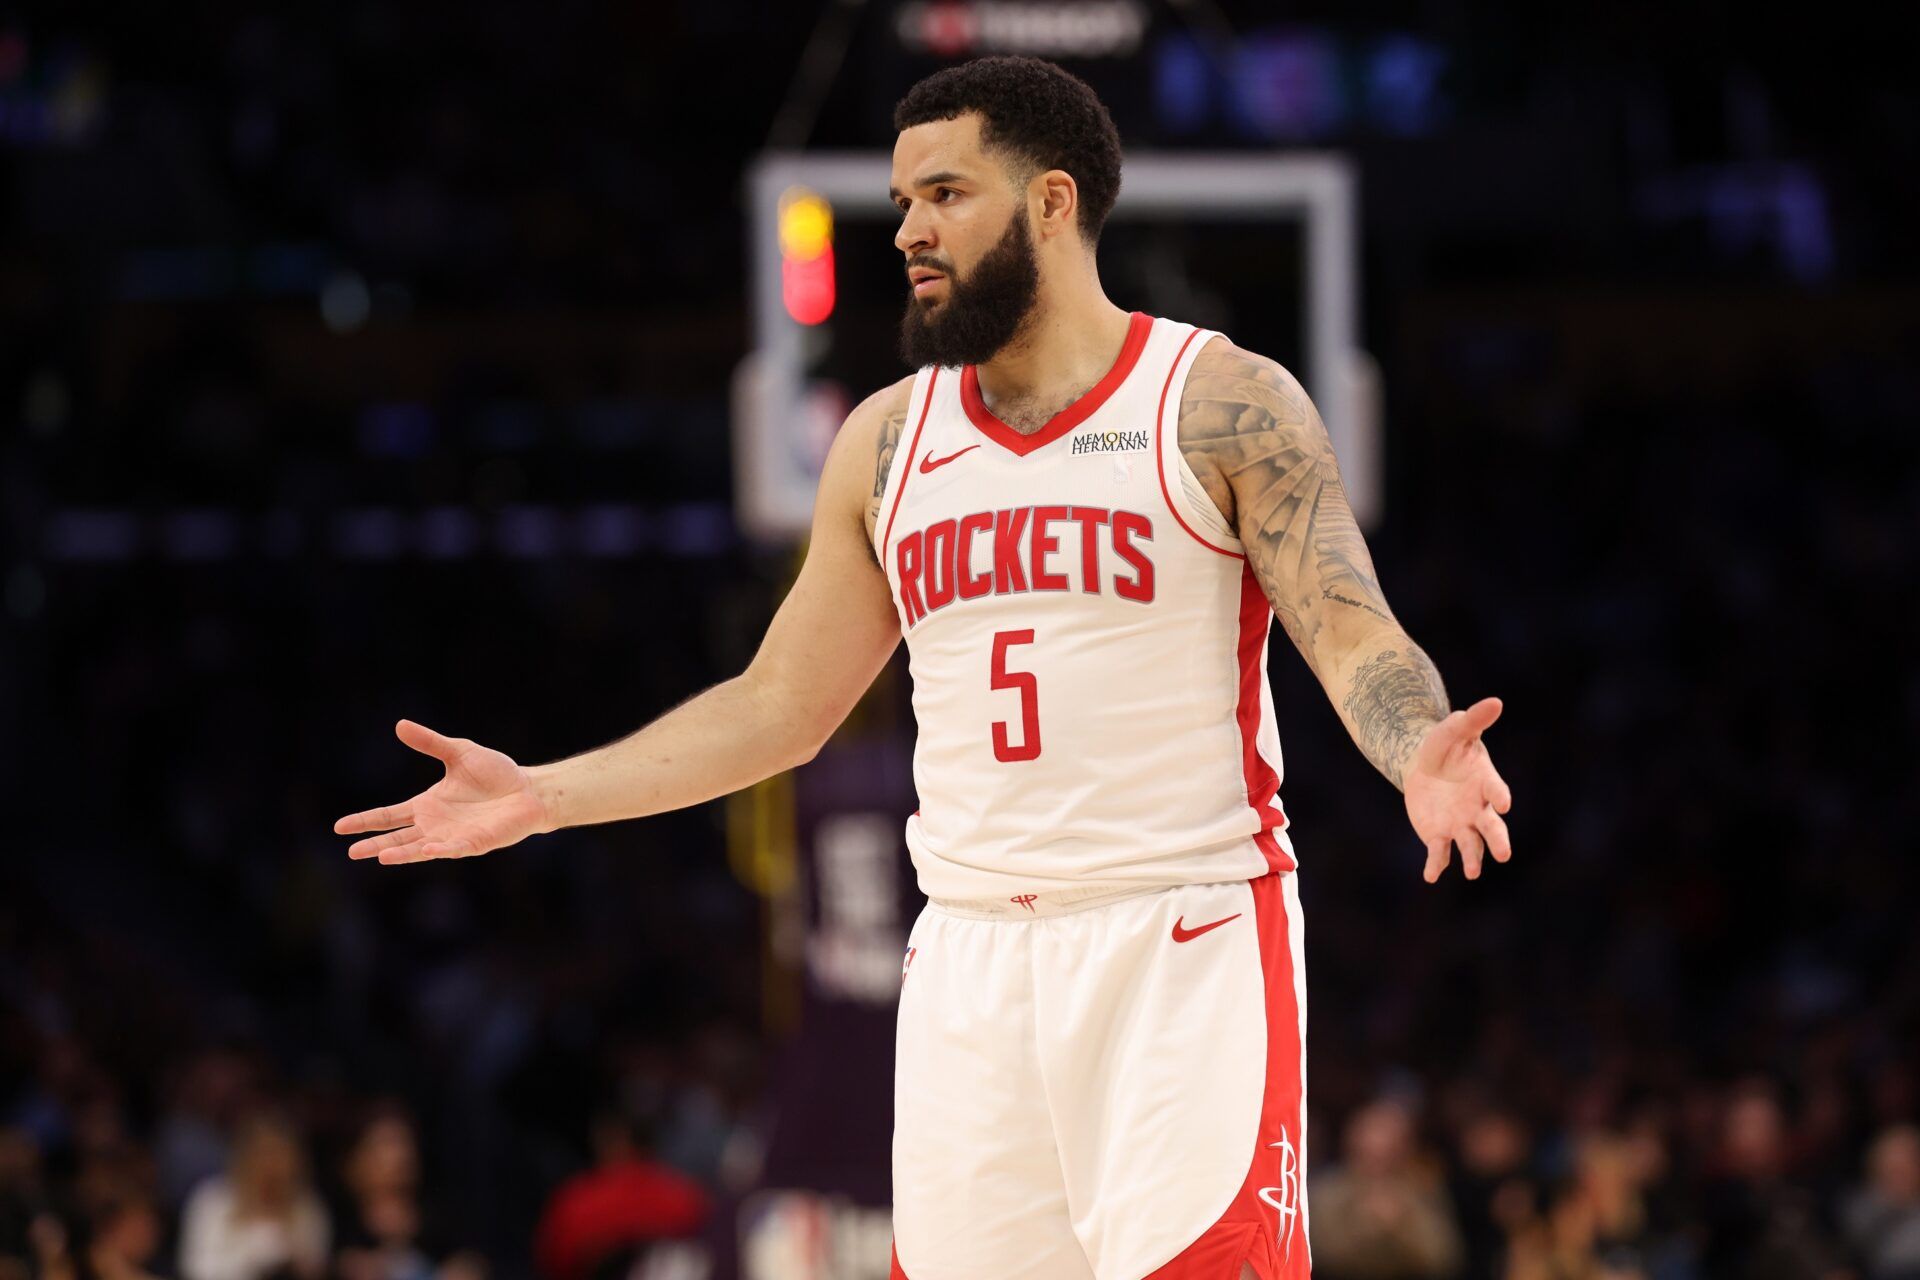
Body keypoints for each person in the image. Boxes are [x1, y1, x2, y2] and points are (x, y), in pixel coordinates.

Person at [334, 54, 1513, 1280]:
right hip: (967, 956)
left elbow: (1351, 629)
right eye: (903, 201)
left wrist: (1413, 748)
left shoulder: (1218, 402)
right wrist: (542, 795)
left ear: (1052, 201)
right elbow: (779, 706)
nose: (908, 230)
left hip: (1178, 932)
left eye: (945, 193)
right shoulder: (886, 442)